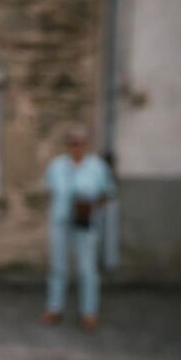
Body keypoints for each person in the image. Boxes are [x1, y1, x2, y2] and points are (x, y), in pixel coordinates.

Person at [42, 125, 116, 331]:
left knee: (87, 269)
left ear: (86, 145)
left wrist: (90, 205)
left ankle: (89, 312)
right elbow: (49, 190)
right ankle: (54, 307)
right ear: (68, 145)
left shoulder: (97, 167)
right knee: (58, 267)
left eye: (81, 143)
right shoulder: (56, 166)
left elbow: (108, 193)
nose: (77, 147)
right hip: (60, 221)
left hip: (86, 224)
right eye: (73, 143)